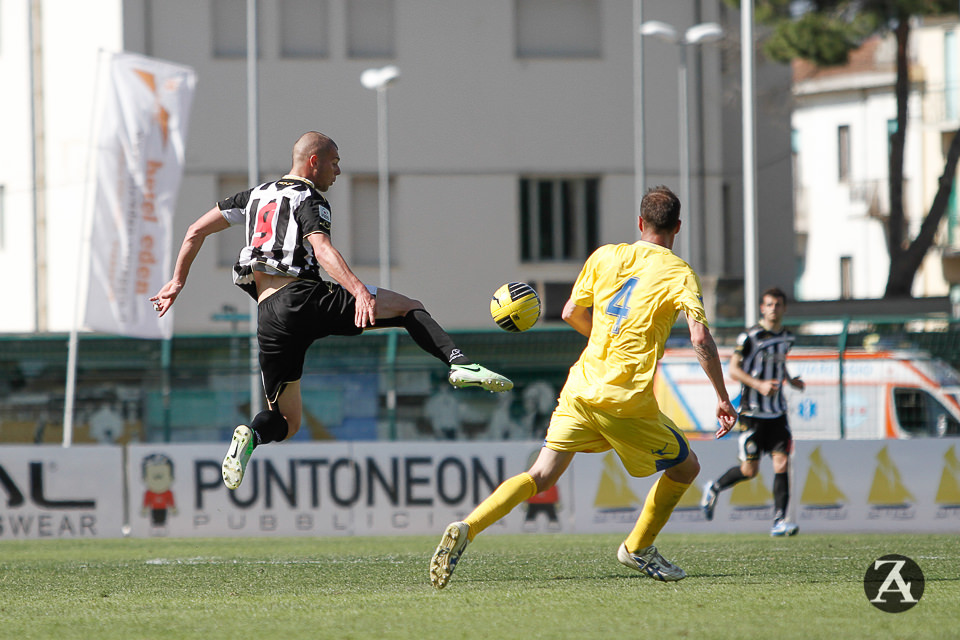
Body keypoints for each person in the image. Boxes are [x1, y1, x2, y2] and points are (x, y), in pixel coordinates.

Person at [151, 131, 512, 490]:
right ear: (314, 162)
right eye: (335, 163)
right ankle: (459, 362)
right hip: (305, 298)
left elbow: (195, 230)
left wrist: (177, 282)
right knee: (408, 308)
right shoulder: (309, 197)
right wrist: (359, 292)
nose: (337, 172)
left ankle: (251, 435)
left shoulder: (255, 196)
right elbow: (321, 249)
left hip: (269, 318)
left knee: (286, 422)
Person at [429, 186, 738, 589]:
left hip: (580, 388)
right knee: (687, 466)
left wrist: (601, 344)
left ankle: (468, 526)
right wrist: (722, 397)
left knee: (540, 474)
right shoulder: (679, 272)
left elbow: (571, 311)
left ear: (640, 223)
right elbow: (699, 339)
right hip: (624, 401)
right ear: (678, 227)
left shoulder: (606, 255)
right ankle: (638, 547)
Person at [700, 287, 804, 536]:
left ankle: (779, 520)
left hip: (777, 413)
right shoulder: (750, 337)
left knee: (782, 463)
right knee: (750, 470)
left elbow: (779, 363)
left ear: (784, 308)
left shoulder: (787, 337)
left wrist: (791, 380)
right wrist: (759, 385)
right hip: (752, 414)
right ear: (762, 308)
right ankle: (714, 487)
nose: (773, 309)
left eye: (778, 305)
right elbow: (734, 369)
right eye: (769, 304)